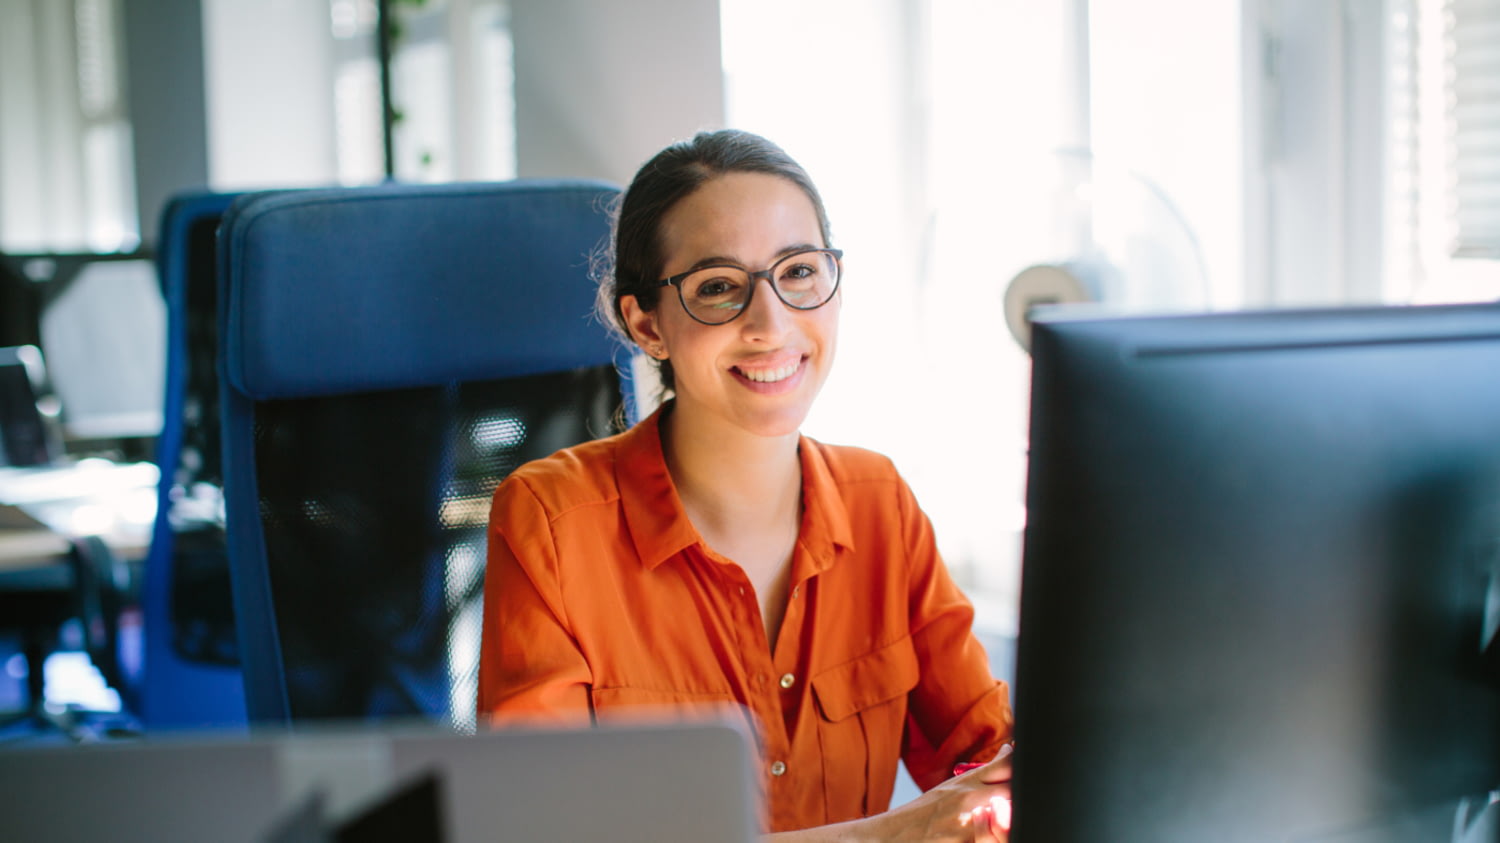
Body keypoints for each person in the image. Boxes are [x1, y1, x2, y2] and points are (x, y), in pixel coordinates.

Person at [478, 129, 1014, 840]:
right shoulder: (551, 523)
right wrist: (890, 832)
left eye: (798, 272)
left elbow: (990, 758)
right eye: (719, 288)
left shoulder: (878, 502)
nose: (771, 323)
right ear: (646, 325)